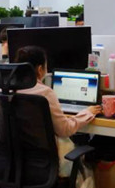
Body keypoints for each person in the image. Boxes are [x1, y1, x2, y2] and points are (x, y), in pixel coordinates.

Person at [15, 45, 100, 176]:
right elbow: (64, 130)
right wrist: (87, 112)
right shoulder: (45, 93)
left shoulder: (8, 91)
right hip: (43, 168)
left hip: (15, 167)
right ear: (40, 69)